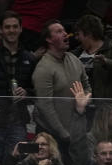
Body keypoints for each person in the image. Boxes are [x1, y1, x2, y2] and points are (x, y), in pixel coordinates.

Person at [0, 11, 36, 161]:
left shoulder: (30, 58)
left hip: (18, 122)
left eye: (15, 26)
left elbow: (35, 91)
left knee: (19, 163)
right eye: (7, 27)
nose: (11, 30)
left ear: (21, 29)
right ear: (1, 30)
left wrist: (27, 93)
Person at [31, 21, 89, 155]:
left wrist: (85, 99)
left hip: (76, 131)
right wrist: (63, 133)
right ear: (48, 39)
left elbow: (87, 86)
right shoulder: (43, 68)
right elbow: (45, 106)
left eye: (64, 31)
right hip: (51, 136)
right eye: (59, 32)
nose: (66, 34)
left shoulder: (74, 59)